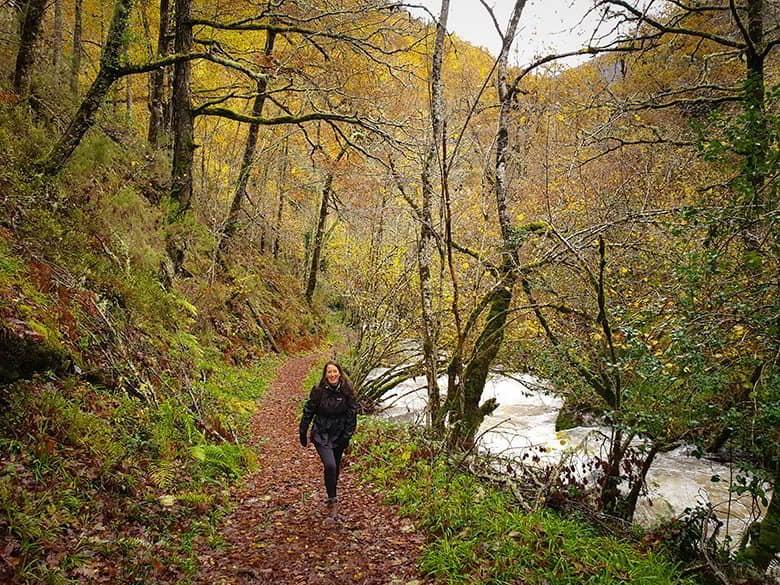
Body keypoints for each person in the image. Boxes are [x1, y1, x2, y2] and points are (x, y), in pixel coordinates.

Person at [299, 361, 358, 515]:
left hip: (339, 434)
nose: (332, 375)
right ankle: (332, 499)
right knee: (330, 465)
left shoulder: (347, 391)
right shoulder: (318, 391)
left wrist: (347, 436)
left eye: (335, 371)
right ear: (325, 375)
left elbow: (352, 415)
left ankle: (331, 491)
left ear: (339, 373)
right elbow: (308, 410)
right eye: (329, 372)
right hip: (321, 433)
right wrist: (303, 431)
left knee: (335, 467)